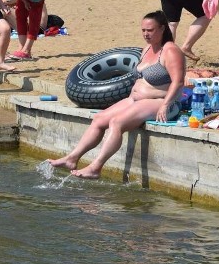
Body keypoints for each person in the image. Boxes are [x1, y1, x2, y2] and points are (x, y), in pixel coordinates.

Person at [49, 11, 185, 179]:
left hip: (161, 101)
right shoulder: (147, 49)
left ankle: (95, 167)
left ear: (162, 28)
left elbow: (178, 82)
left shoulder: (170, 51)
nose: (145, 34)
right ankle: (72, 158)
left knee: (116, 122)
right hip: (135, 100)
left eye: (150, 30)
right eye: (143, 30)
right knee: (99, 119)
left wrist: (165, 105)